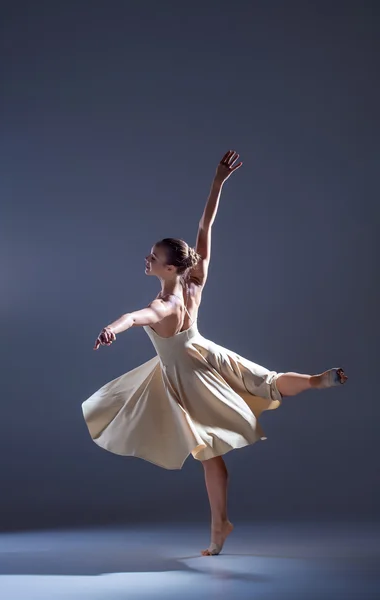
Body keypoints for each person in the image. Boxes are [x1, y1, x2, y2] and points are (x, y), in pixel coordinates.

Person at [83, 150, 348, 556]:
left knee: (208, 451)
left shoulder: (163, 306)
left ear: (170, 269)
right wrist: (218, 182)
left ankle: (219, 526)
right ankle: (315, 380)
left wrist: (110, 329)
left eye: (153, 257)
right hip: (208, 353)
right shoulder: (196, 277)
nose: (147, 259)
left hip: (187, 379)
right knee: (267, 383)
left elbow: (132, 317)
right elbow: (205, 224)